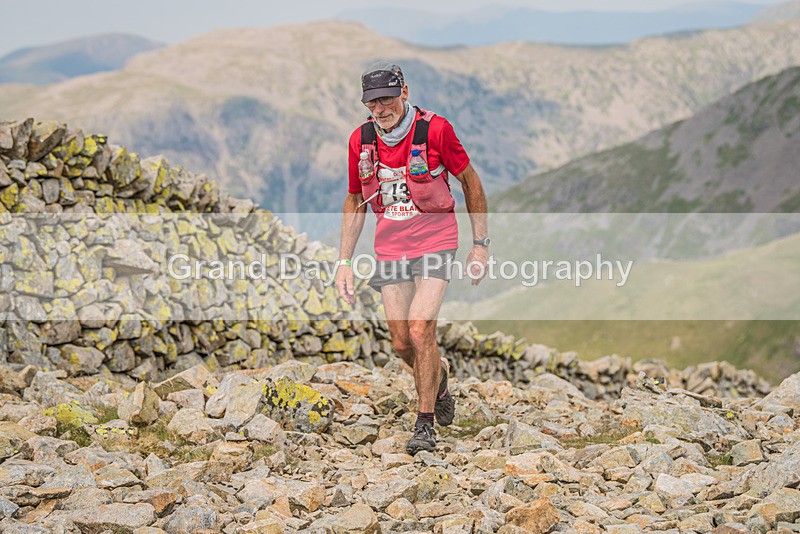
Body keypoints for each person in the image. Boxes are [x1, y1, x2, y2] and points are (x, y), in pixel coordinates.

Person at [335, 62, 490, 455]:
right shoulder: (361, 140)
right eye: (371, 102)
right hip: (390, 248)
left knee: (421, 330)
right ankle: (438, 377)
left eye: (386, 98)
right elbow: (356, 199)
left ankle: (424, 424)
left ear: (404, 93)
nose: (379, 108)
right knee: (402, 342)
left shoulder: (436, 130)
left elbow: (470, 181)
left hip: (437, 239)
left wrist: (480, 244)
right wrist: (344, 262)